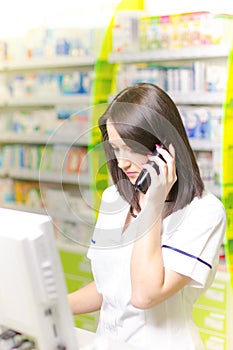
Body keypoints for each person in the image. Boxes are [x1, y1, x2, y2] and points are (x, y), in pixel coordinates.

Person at [68, 82, 226, 349]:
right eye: (116, 149)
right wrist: (46, 305)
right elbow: (107, 288)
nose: (122, 162)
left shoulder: (204, 212)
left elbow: (144, 294)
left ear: (164, 148)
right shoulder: (113, 198)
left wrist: (152, 205)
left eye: (131, 148)